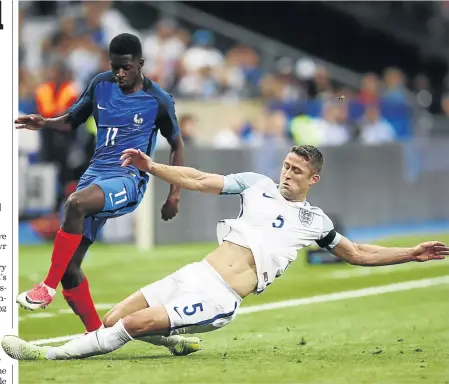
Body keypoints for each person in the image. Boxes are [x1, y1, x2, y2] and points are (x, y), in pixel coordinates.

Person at [3, 145, 447, 361]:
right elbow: (197, 178)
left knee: (134, 325)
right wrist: (151, 167)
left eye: (297, 171)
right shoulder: (257, 184)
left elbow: (357, 253)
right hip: (194, 272)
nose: (287, 174)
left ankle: (46, 355)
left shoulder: (316, 222)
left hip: (220, 298)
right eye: (287, 166)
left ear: (314, 179)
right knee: (115, 318)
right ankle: (174, 339)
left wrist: (412, 253)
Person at [14, 33, 185, 334]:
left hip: (127, 179)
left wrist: (174, 194)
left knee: (75, 203)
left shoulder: (158, 99)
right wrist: (46, 122)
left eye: (126, 68)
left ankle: (45, 287)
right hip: (95, 174)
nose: (120, 73)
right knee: (70, 267)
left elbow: (176, 144)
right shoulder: (100, 84)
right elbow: (72, 119)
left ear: (140, 64)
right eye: (115, 66)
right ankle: (96, 334)